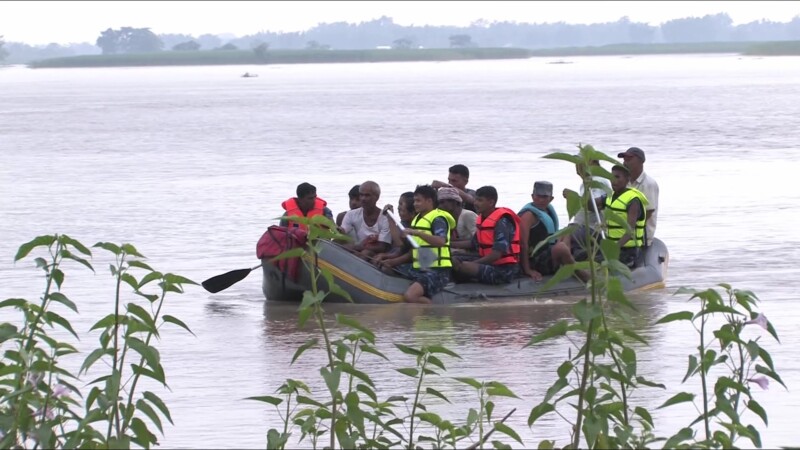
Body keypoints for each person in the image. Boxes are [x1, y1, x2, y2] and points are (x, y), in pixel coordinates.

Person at [383, 185, 455, 304]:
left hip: (438, 270)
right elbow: (400, 243)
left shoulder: (438, 219)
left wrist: (416, 233)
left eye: (418, 201)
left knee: (410, 296)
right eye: (415, 200)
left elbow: (441, 241)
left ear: (429, 201)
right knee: (387, 268)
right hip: (421, 267)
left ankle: (432, 312)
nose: (415, 204)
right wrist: (391, 219)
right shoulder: (418, 218)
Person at [519, 181, 588, 282]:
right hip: (535, 260)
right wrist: (528, 269)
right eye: (538, 196)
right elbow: (523, 243)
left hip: (547, 252)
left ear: (551, 199)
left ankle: (565, 264)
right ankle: (579, 272)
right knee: (561, 248)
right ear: (533, 196)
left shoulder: (547, 211)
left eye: (545, 197)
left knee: (567, 231)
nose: (541, 199)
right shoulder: (528, 215)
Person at [452, 186, 521, 285]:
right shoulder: (483, 219)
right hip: (489, 262)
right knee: (453, 258)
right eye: (475, 199)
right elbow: (472, 243)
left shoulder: (502, 222)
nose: (475, 203)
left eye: (480, 200)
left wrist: (474, 264)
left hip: (504, 269)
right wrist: (447, 243)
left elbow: (496, 255)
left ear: (491, 202)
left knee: (465, 266)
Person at [594, 165, 649, 268]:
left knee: (598, 263)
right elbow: (591, 204)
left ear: (627, 179)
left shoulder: (633, 201)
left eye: (617, 177)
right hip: (613, 247)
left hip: (629, 251)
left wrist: (614, 249)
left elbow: (630, 232)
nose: (613, 180)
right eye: (611, 177)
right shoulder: (610, 196)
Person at [559, 160, 611, 261]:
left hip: (594, 228)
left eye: (581, 164)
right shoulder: (588, 182)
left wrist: (574, 197)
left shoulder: (597, 181)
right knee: (563, 234)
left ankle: (567, 263)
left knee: (568, 233)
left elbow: (594, 205)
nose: (578, 167)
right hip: (584, 227)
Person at [338, 180, 392, 258]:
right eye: (361, 195)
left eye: (367, 195)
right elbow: (342, 231)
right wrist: (335, 230)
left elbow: (382, 247)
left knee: (366, 253)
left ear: (377, 197)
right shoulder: (351, 214)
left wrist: (356, 247)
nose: (363, 198)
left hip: (377, 254)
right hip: (360, 250)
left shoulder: (384, 217)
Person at [617, 147, 659, 247]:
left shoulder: (649, 184)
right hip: (622, 235)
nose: (625, 162)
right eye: (624, 159)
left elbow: (648, 213)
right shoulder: (624, 183)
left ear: (640, 161)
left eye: (629, 159)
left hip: (641, 238)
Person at [372, 191, 415, 272]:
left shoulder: (418, 226)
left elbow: (400, 243)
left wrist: (392, 261)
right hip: (401, 255)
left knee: (385, 268)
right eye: (399, 204)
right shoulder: (404, 223)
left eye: (401, 204)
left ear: (412, 213)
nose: (398, 208)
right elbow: (401, 248)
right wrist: (386, 256)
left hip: (415, 263)